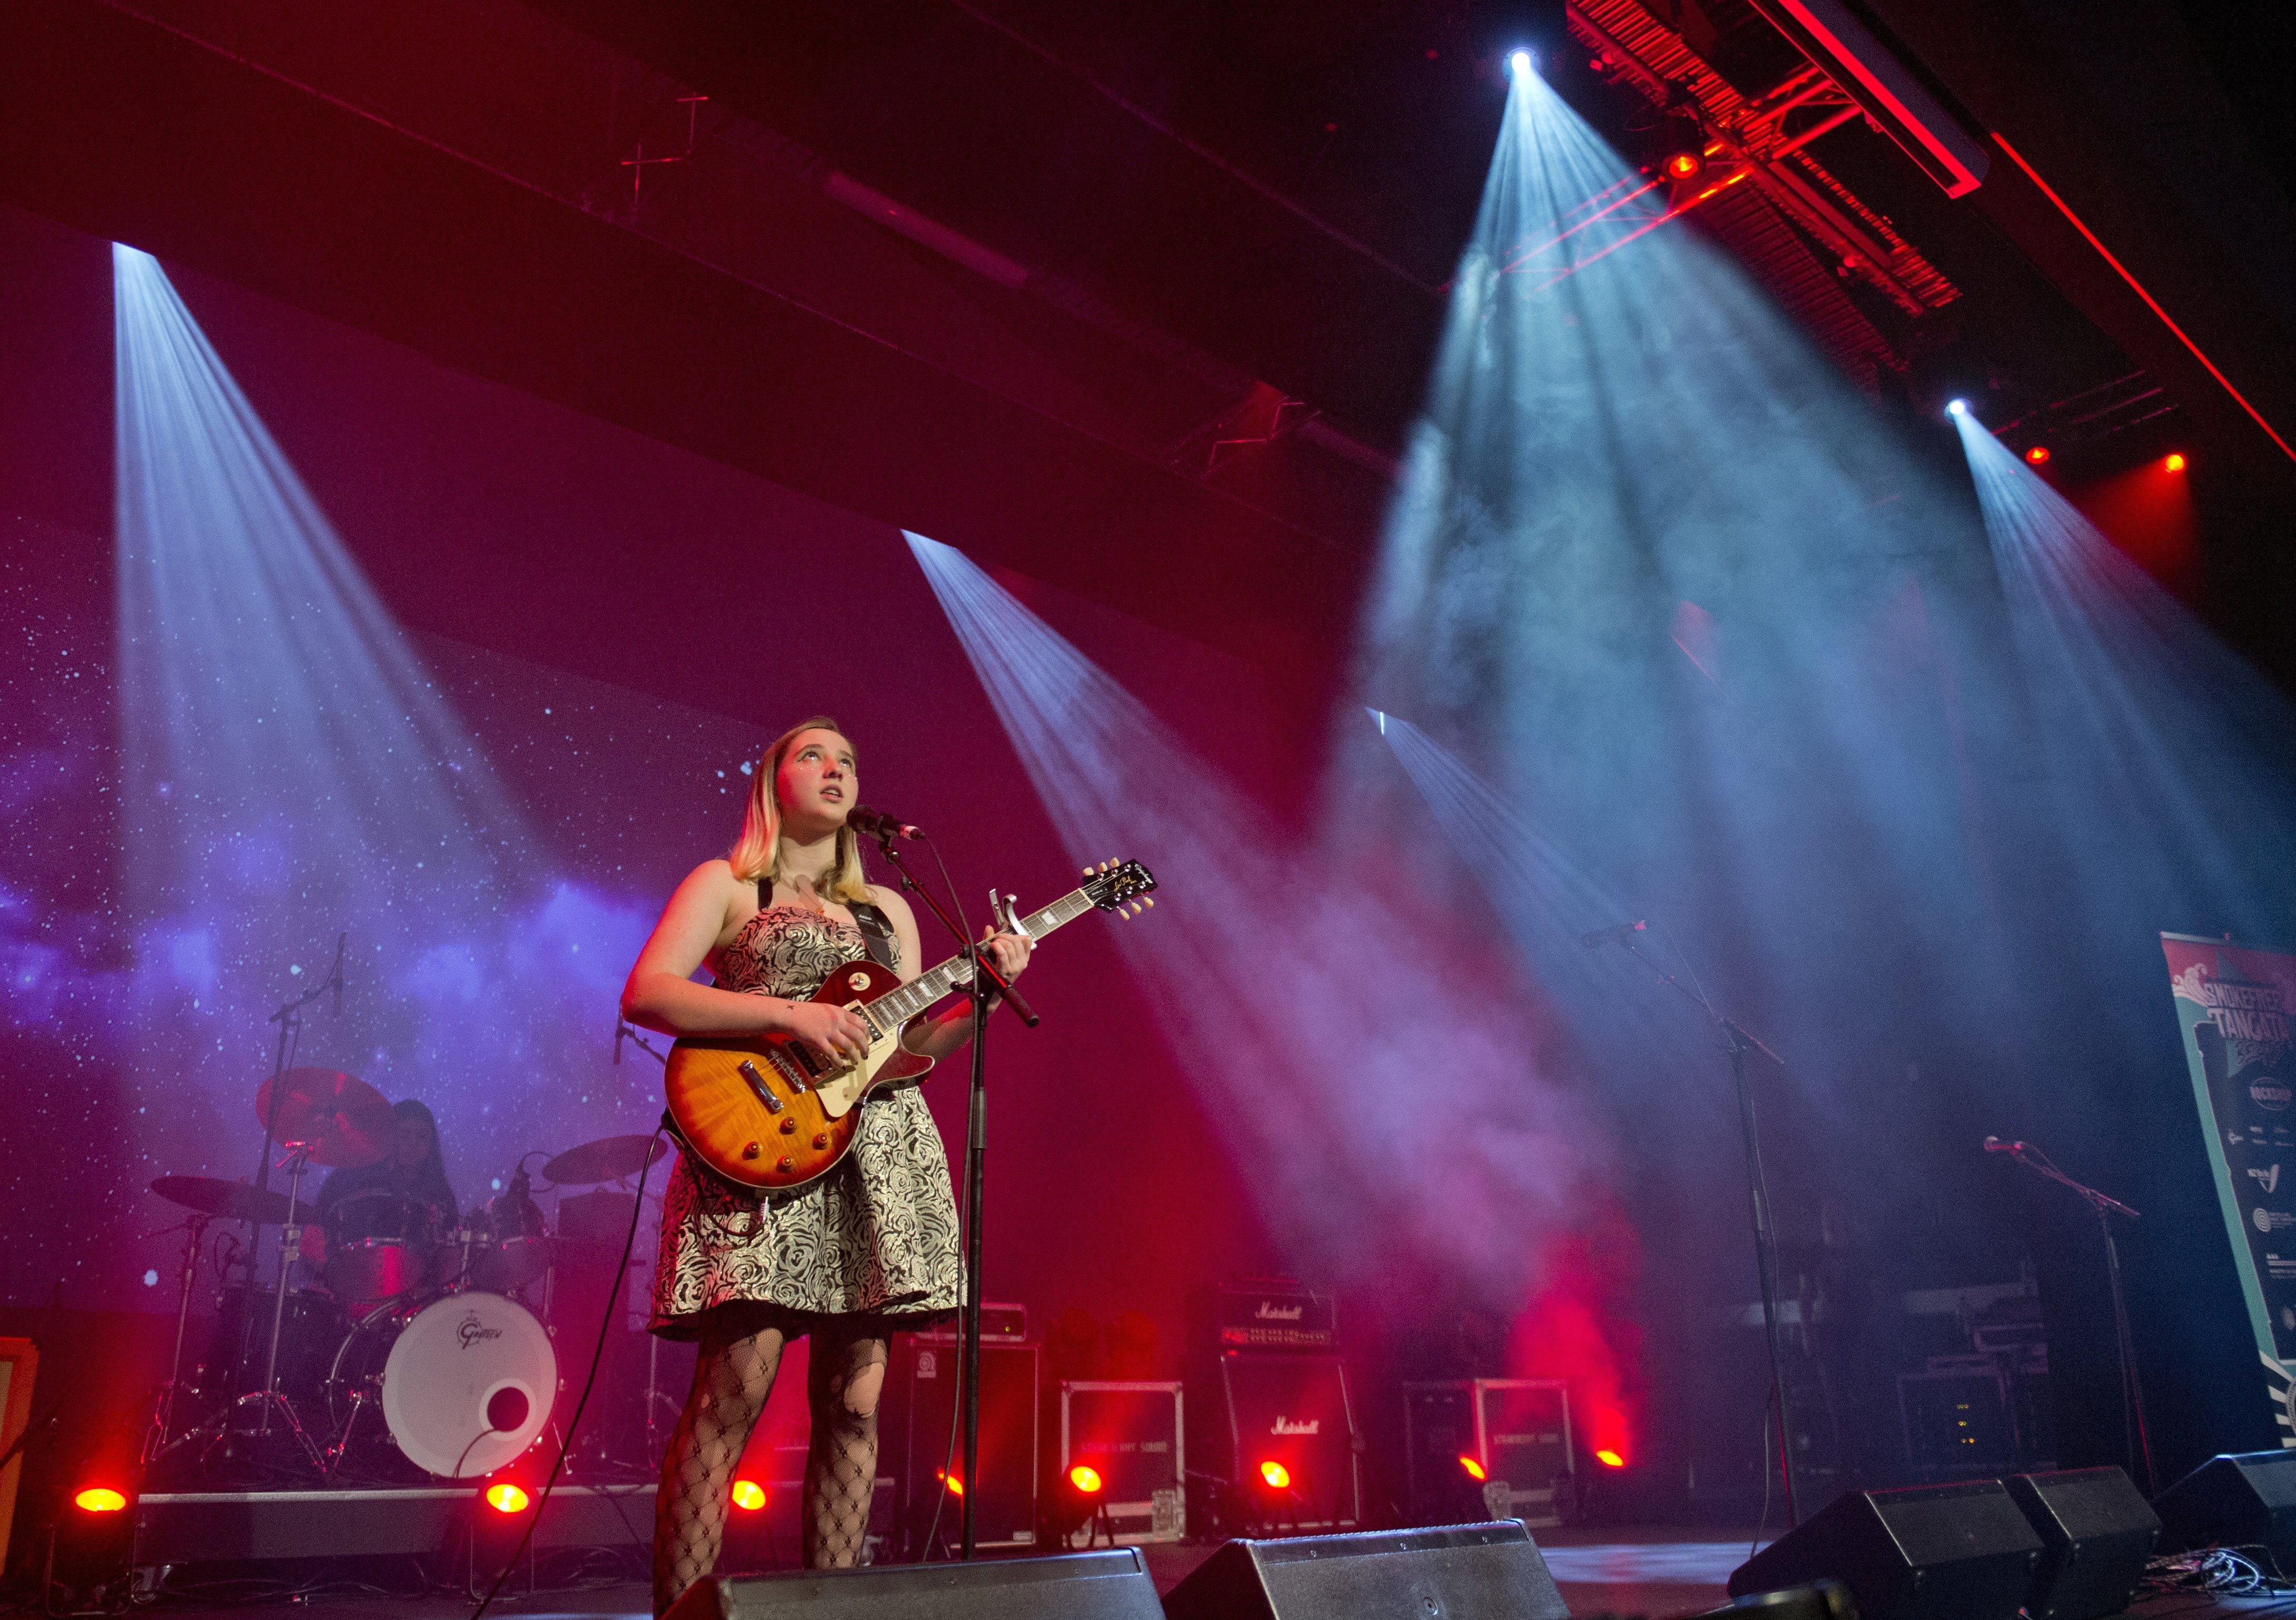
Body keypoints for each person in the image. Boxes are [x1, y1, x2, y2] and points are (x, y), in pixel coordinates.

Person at [621, 716, 1031, 1611]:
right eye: (814, 755)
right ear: (775, 781)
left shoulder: (887, 909)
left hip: (876, 1154)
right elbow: (649, 990)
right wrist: (793, 1017)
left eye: (847, 758)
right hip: (764, 1145)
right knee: (733, 1394)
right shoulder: (729, 883)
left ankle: (833, 1610)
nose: (836, 768)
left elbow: (914, 1046)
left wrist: (986, 993)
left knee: (855, 1405)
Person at [300, 1098, 457, 1271]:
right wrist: (343, 1273)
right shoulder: (351, 1177)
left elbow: (451, 1256)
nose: (413, 1144)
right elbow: (310, 1241)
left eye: (422, 1136)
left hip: (418, 1294)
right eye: (404, 1135)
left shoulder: (441, 1194)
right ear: (388, 1137)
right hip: (349, 1286)